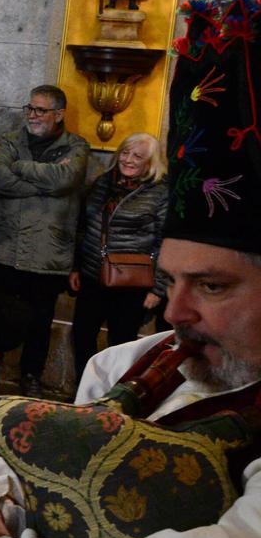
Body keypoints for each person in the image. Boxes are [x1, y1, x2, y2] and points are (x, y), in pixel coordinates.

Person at [0, 0, 261, 538]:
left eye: (212, 286)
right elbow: (37, 462)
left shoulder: (76, 150)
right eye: (171, 281)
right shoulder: (122, 366)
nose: (173, 313)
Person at [0, 84, 88, 397]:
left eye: (41, 110)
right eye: (30, 108)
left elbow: (66, 179)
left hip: (47, 253)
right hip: (5, 247)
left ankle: (31, 375)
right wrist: (45, 184)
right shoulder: (12, 141)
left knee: (39, 321)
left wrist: (22, 169)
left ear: (59, 114)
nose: (33, 115)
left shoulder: (77, 147)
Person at [69, 132, 167, 377]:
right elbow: (84, 226)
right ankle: (86, 393)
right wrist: (76, 266)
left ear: (150, 162)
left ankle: (114, 400)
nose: (129, 160)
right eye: (125, 153)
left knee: (122, 344)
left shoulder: (159, 192)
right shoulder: (103, 183)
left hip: (132, 284)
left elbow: (164, 242)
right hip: (93, 277)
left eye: (138, 156)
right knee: (81, 336)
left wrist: (158, 289)